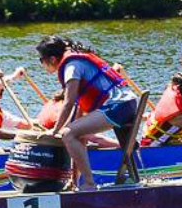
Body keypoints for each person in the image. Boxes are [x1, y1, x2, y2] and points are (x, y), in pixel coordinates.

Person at [37, 36, 139, 191]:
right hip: (126, 104)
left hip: (119, 106)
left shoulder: (71, 66)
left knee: (67, 134)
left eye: (41, 60)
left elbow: (68, 102)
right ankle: (79, 182)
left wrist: (56, 130)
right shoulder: (77, 62)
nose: (41, 64)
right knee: (73, 134)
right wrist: (72, 179)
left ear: (51, 58)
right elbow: (76, 121)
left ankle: (89, 184)